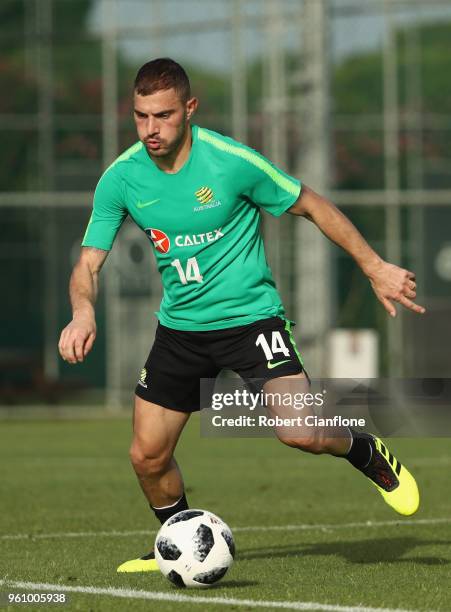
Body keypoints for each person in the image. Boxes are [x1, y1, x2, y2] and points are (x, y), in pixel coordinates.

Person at [58, 58, 425, 573]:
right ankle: (177, 539)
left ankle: (364, 450)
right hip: (181, 333)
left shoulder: (231, 161)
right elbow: (88, 263)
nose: (150, 130)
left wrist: (374, 266)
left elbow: (312, 204)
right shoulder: (121, 177)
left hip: (252, 323)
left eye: (162, 116)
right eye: (141, 117)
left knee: (302, 433)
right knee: (147, 455)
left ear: (190, 109)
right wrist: (82, 313)